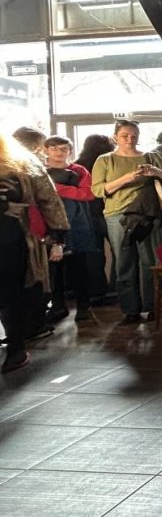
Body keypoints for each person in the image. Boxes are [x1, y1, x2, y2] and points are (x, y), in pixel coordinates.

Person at [90, 119, 162, 325]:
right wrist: (127, 178)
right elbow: (98, 190)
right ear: (115, 137)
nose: (130, 140)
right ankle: (130, 309)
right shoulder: (105, 160)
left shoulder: (151, 156)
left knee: (151, 261)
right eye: (125, 136)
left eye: (134, 136)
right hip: (117, 215)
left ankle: (153, 305)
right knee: (124, 262)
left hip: (148, 214)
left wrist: (155, 171)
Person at [0, 133, 69, 372]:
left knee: (12, 291)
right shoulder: (23, 163)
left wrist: (57, 236)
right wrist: (58, 235)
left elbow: (49, 201)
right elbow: (50, 201)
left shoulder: (23, 163)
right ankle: (16, 349)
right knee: (13, 292)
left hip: (12, 235)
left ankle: (16, 348)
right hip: (12, 235)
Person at [43, 135, 97, 323]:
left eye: (64, 149)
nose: (59, 152)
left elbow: (88, 194)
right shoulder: (40, 170)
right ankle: (58, 306)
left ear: (70, 151)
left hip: (77, 223)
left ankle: (83, 306)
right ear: (46, 150)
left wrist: (56, 188)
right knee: (54, 270)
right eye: (54, 148)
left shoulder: (79, 170)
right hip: (49, 224)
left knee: (79, 267)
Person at [75, 134, 117, 304]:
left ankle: (97, 291)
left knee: (94, 254)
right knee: (120, 251)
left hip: (86, 213)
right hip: (110, 210)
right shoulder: (110, 162)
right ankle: (117, 288)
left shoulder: (78, 166)